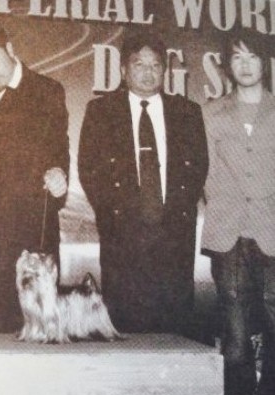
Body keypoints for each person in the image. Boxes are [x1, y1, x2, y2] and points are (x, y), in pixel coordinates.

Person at [78, 30, 208, 335]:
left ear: (164, 70)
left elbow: (198, 167)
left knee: (174, 328)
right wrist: (114, 214)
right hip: (122, 235)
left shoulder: (187, 112)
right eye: (139, 65)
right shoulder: (101, 111)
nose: (148, 73)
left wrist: (176, 212)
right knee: (125, 326)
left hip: (173, 234)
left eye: (155, 66)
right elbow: (89, 169)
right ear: (124, 69)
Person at [0, 17, 69, 333]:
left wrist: (58, 174)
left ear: (9, 48)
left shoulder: (46, 91)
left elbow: (58, 148)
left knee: (34, 326)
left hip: (30, 228)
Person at [201, 30, 275, 395]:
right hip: (227, 226)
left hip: (272, 225)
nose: (245, 65)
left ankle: (272, 392)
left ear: (266, 63)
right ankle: (238, 392)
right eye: (237, 58)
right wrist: (223, 201)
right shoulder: (210, 112)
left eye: (252, 57)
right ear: (228, 66)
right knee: (234, 318)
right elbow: (205, 171)